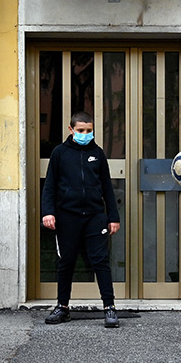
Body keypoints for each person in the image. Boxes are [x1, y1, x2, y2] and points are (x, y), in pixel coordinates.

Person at [41, 111, 122, 328]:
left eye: (89, 130)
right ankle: (62, 307)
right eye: (81, 131)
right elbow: (49, 185)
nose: (85, 134)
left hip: (95, 217)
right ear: (71, 130)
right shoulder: (60, 153)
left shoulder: (98, 153)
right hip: (67, 217)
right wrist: (48, 212)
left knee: (100, 262)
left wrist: (113, 217)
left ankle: (110, 308)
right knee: (66, 262)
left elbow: (106, 186)